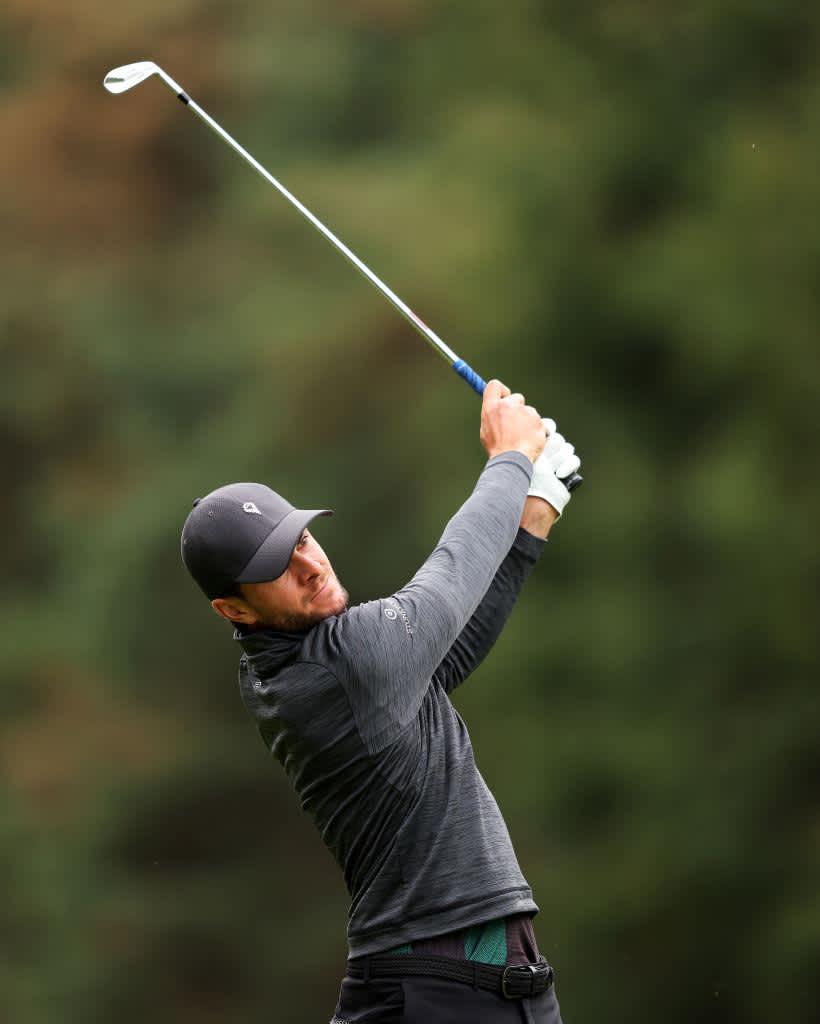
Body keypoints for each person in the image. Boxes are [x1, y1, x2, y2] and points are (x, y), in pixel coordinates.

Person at [180, 380, 581, 1023]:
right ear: (234, 610)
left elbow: (446, 654)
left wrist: (534, 513)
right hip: (442, 991)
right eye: (275, 568)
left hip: (455, 986)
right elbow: (449, 582)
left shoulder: (297, 665)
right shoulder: (342, 665)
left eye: (301, 540)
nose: (310, 566)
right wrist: (510, 459)